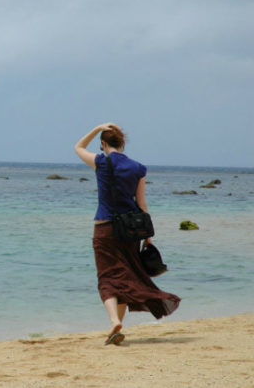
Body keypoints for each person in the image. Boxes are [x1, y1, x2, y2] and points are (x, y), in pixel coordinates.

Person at [74, 122, 180, 346]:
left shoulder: (101, 162)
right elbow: (141, 203)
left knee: (107, 277)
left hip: (105, 228)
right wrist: (148, 234)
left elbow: (78, 147)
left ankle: (114, 321)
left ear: (103, 144)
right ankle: (116, 330)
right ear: (122, 143)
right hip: (131, 230)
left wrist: (96, 128)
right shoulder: (138, 167)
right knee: (124, 276)